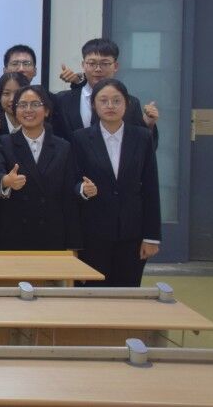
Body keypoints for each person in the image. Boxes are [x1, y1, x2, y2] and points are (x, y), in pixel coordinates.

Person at [72, 78, 161, 286]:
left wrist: (152, 237)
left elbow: (150, 188)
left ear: (127, 104)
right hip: (93, 233)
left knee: (127, 292)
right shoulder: (80, 138)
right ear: (94, 105)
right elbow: (72, 181)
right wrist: (82, 189)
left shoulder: (142, 137)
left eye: (116, 100)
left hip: (132, 233)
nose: (110, 106)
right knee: (93, 293)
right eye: (103, 101)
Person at [0, 85, 83, 251]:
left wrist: (73, 243)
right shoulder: (4, 143)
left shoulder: (63, 147)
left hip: (52, 234)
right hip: (14, 234)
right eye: (22, 105)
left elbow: (68, 198)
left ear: (47, 110)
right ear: (15, 111)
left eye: (35, 104)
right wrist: (6, 180)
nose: (28, 110)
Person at [51, 38, 159, 143]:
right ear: (83, 65)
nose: (98, 69)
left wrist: (149, 125)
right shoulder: (63, 100)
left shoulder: (130, 103)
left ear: (115, 66)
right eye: (92, 63)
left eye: (105, 63)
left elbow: (140, 147)